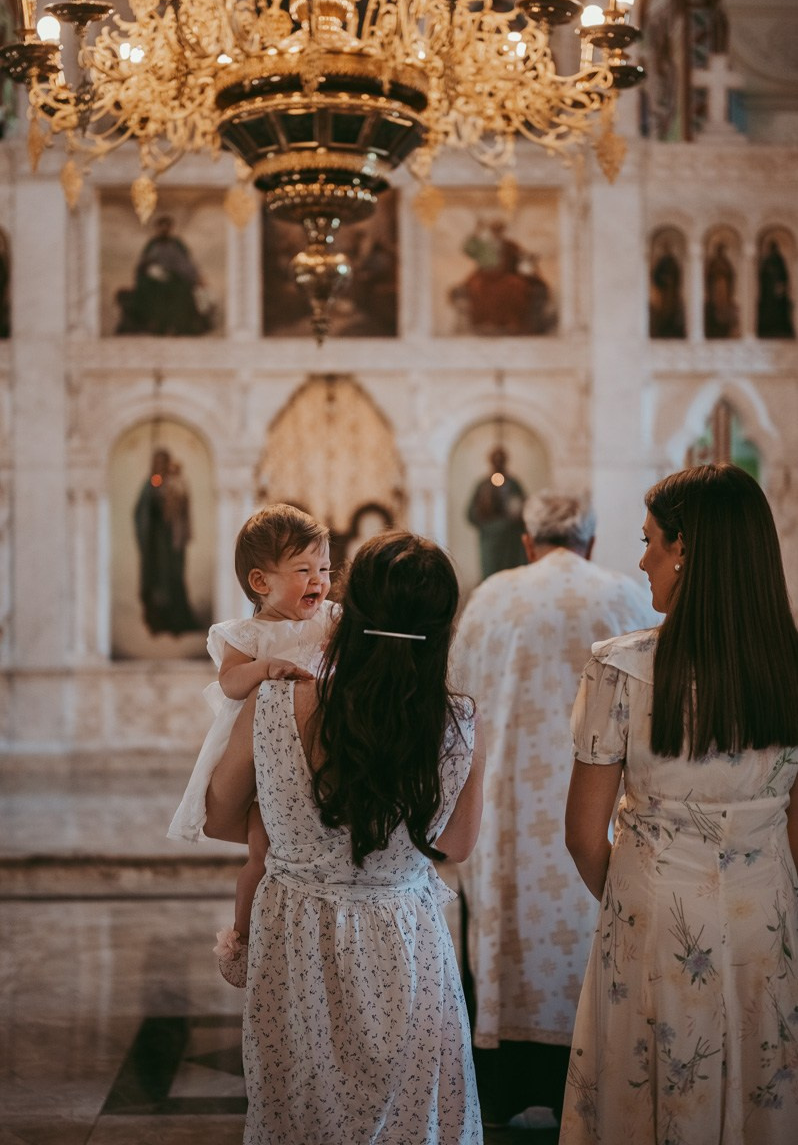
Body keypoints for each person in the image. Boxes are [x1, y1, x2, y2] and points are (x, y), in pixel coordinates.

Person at [203, 531, 486, 1142]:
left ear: (348, 613)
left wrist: (289, 825)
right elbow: (457, 846)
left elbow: (217, 815)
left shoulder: (275, 701)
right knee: (411, 1114)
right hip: (404, 934)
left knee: (300, 1110)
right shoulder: (458, 720)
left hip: (296, 933)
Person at [561, 464, 798, 1144]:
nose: (642, 561)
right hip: (767, 916)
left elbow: (583, 835)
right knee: (759, 1083)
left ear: (684, 550)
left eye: (650, 541)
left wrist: (638, 895)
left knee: (650, 1095)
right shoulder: (789, 667)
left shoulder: (623, 669)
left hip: (654, 919)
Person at [453, 491, 658, 1128]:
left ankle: (503, 1091)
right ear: (590, 542)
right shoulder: (625, 593)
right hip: (600, 807)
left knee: (502, 939)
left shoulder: (491, 597)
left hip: (504, 811)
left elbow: (455, 698)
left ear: (527, 541)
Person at [168, 504, 335, 987]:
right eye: (303, 570)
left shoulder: (333, 619)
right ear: (260, 582)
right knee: (262, 855)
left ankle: (314, 939)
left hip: (320, 754)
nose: (318, 580)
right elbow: (230, 683)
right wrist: (264, 667)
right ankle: (241, 939)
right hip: (266, 765)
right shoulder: (249, 635)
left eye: (325, 569)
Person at [133, 447, 200, 635]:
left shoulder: (176, 483)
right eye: (157, 463)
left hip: (172, 541)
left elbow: (183, 508)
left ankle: (177, 620)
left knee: (173, 577)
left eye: (163, 463)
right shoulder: (149, 485)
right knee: (155, 580)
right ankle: (156, 621)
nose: (160, 467)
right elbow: (140, 512)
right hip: (155, 542)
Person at [116, 214, 212, 335]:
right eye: (161, 226)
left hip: (175, 278)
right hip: (155, 281)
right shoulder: (152, 244)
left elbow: (186, 263)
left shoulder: (177, 244)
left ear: (171, 228)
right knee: (150, 292)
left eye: (167, 226)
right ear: (157, 228)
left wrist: (196, 277)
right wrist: (151, 271)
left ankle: (180, 327)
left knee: (183, 291)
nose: (164, 229)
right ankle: (155, 325)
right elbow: (144, 263)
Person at [466, 446, 527, 579]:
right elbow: (471, 514)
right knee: (491, 576)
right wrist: (488, 525)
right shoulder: (482, 485)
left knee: (511, 577)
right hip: (490, 541)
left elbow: (524, 510)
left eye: (501, 460)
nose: (498, 463)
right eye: (495, 460)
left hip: (511, 541)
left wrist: (514, 517)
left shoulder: (513, 484)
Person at [757, 237, 795, 338]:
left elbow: (784, 274)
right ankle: (768, 328)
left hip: (778, 288)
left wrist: (781, 285)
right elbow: (762, 275)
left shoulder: (779, 259)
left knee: (780, 308)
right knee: (769, 308)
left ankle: (780, 328)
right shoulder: (767, 260)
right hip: (768, 290)